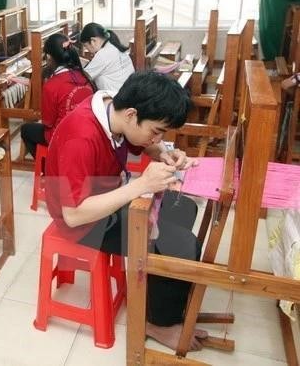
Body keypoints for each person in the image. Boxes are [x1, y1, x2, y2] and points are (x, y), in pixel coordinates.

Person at [45, 71, 208, 351]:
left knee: (184, 209)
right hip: (83, 221)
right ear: (132, 114)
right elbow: (74, 214)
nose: (157, 136)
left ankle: (159, 300)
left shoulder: (113, 111)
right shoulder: (81, 136)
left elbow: (135, 140)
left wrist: (161, 151)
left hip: (107, 196)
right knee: (181, 244)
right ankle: (158, 322)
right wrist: (142, 184)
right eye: (156, 131)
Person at [20, 33, 96, 158]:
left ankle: (48, 166)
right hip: (88, 132)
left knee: (26, 130)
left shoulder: (52, 85)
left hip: (64, 136)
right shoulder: (85, 77)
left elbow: (48, 122)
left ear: (49, 57)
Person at [79, 22, 135, 91]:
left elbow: (82, 78)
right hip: (128, 93)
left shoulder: (103, 54)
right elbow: (95, 65)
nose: (86, 49)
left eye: (85, 46)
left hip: (115, 98)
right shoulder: (113, 45)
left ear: (93, 40)